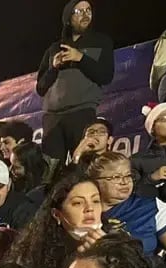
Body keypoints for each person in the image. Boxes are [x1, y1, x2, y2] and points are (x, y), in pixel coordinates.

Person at [9, 165, 104, 268]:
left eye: (95, 201)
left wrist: (112, 252)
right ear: (57, 214)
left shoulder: (117, 238)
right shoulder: (38, 254)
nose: (89, 209)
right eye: (78, 203)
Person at [35, 0, 114, 162]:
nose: (85, 15)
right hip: (52, 118)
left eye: (88, 10)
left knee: (85, 164)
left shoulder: (101, 42)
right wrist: (54, 68)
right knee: (51, 171)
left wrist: (81, 58)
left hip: (82, 112)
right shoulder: (54, 48)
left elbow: (106, 76)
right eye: (79, 12)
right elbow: (40, 88)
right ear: (68, 18)